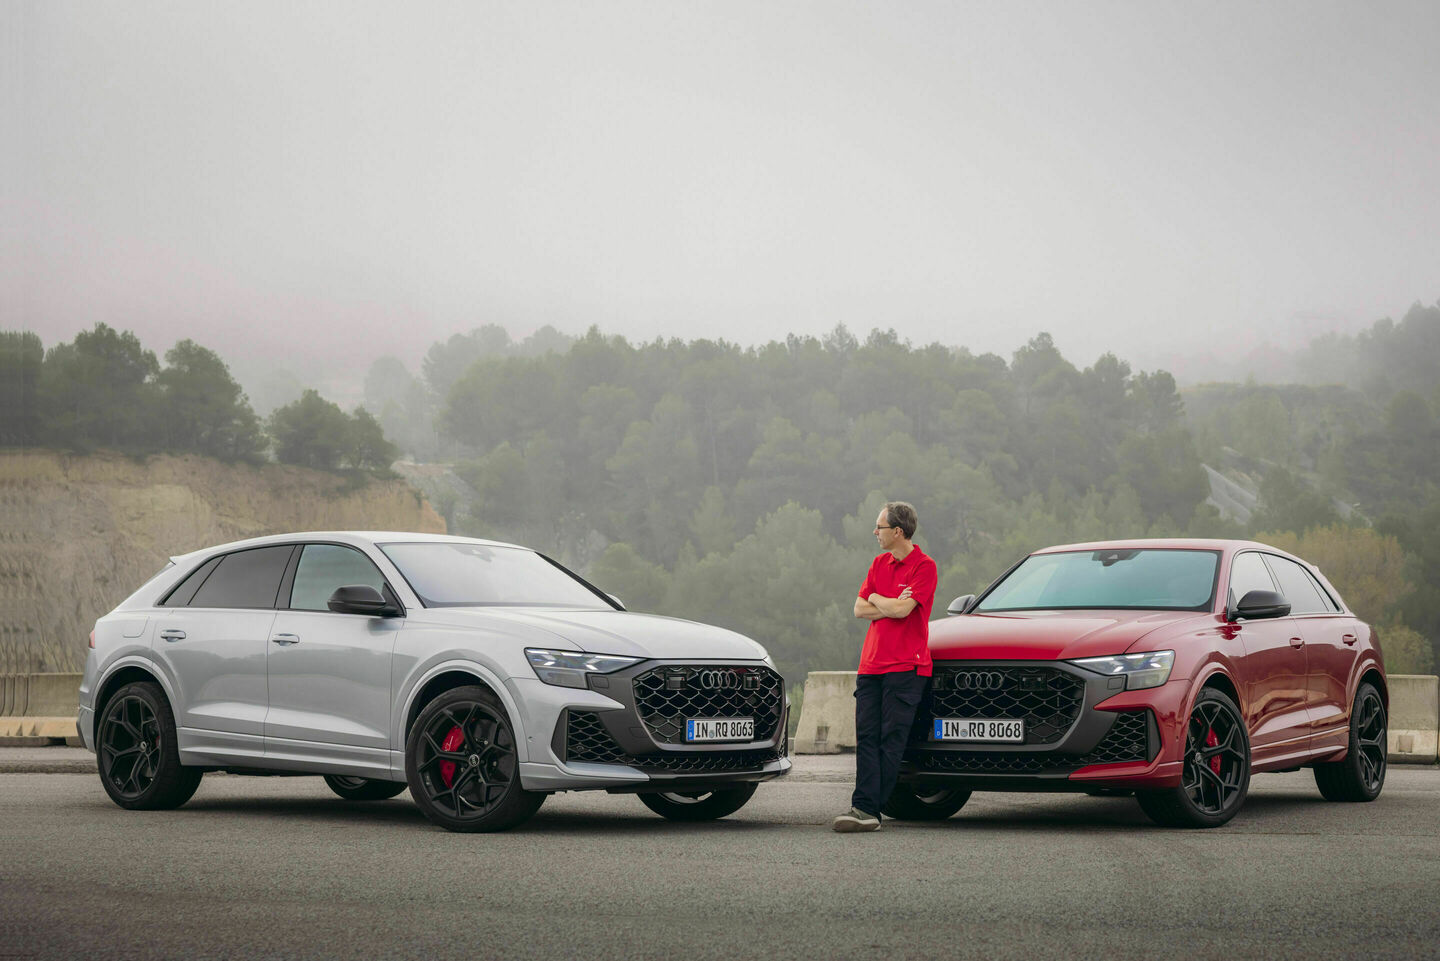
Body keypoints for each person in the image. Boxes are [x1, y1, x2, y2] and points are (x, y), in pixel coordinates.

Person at [831, 501, 937, 833]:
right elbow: (859, 609)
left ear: (898, 531)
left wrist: (879, 599)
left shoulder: (925, 566)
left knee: (890, 739)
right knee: (866, 737)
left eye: (879, 526)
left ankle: (867, 810)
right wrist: (883, 601)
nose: (874, 532)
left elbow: (904, 612)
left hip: (907, 667)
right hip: (871, 666)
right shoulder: (879, 563)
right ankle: (865, 808)